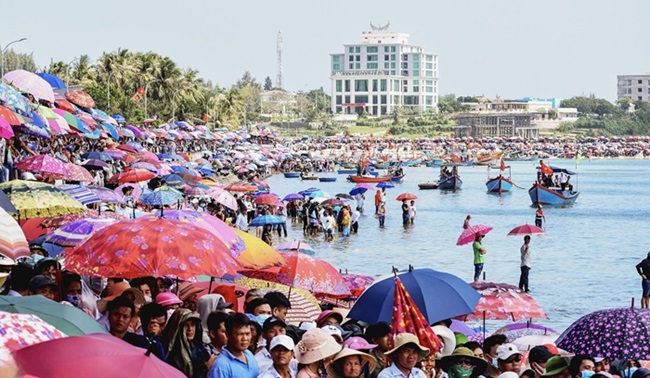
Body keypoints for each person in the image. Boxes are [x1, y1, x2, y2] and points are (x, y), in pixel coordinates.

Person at [208, 313, 259, 378]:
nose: (245, 339)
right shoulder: (220, 366)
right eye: (240, 334)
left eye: (247, 334)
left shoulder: (249, 354)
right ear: (228, 335)